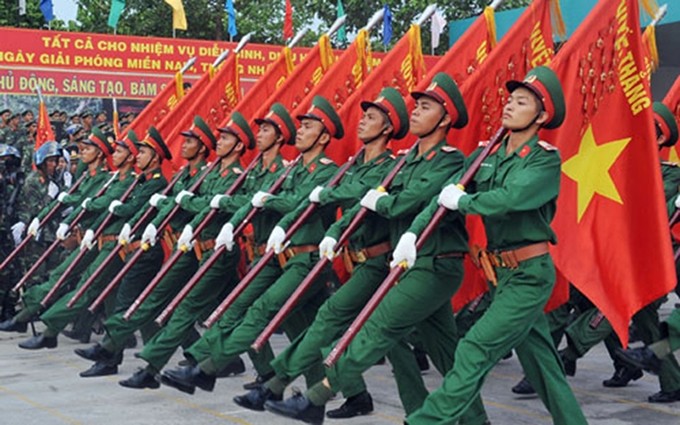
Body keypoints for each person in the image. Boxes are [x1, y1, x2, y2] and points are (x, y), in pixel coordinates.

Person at [264, 74, 487, 425]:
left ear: (444, 120)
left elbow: (402, 203)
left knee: (376, 329)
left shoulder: (450, 161)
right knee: (447, 356)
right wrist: (338, 230)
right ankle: (472, 420)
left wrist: (381, 201)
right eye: (416, 106)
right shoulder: (405, 161)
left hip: (436, 264)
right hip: (410, 268)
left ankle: (316, 396)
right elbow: (366, 205)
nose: (415, 113)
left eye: (425, 108)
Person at [234, 87, 441, 419]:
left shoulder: (392, 165)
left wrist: (332, 197)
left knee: (340, 322)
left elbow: (368, 197)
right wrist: (333, 233)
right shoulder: (355, 165)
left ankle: (278, 384)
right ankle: (372, 400)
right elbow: (350, 206)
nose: (362, 122)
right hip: (362, 260)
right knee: (390, 340)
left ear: (388, 128)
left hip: (384, 261)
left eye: (371, 117)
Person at [399, 66, 586, 425]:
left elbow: (510, 199)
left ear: (542, 115)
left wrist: (464, 203)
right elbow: (446, 193)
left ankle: (425, 421)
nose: (510, 106)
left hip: (529, 276)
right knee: (544, 368)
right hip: (501, 276)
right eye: (510, 99)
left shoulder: (545, 159)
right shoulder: (488, 154)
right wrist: (414, 233)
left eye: (522, 102)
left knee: (474, 347)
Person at [159, 96, 343, 397]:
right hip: (280, 258)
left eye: (307, 126)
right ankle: (319, 397)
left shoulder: (326, 170)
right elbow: (254, 199)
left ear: (323, 137)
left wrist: (268, 201)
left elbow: (297, 203)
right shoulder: (292, 169)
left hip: (306, 259)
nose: (300, 131)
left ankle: (206, 368)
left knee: (261, 310)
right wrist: (235, 221)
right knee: (304, 332)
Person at [0, 127, 115, 334]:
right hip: (44, 236)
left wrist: (65, 208)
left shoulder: (94, 178)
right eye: (51, 161)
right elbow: (33, 206)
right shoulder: (37, 180)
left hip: (71, 237)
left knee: (66, 280)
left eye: (56, 161)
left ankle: (76, 325)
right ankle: (28, 316)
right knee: (47, 277)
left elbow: (83, 203)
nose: (55, 164)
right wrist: (38, 217)